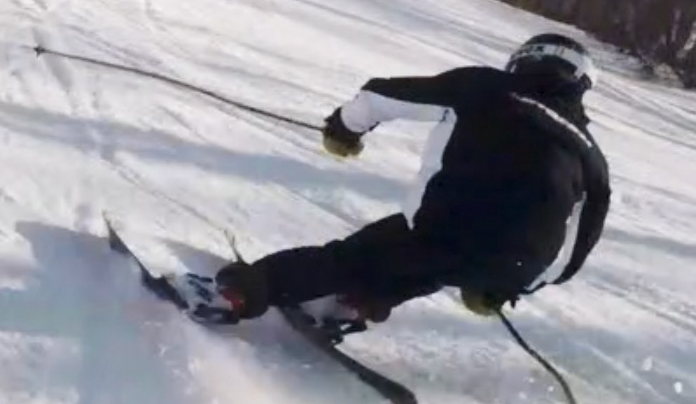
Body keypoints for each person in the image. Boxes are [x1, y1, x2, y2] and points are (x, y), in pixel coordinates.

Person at [181, 32, 610, 335]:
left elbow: (378, 97)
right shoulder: (592, 156)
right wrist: (508, 285)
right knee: (430, 269)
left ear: (522, 61)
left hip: (441, 228)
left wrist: (343, 130)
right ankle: (356, 304)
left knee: (355, 257)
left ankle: (239, 294)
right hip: (511, 264)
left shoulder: (485, 87)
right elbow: (573, 254)